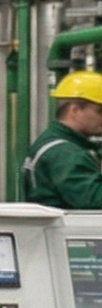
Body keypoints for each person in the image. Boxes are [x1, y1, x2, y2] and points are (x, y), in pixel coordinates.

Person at [27, 72, 102, 208]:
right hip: (73, 229)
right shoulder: (65, 154)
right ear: (74, 110)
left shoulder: (58, 143)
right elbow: (94, 200)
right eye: (100, 111)